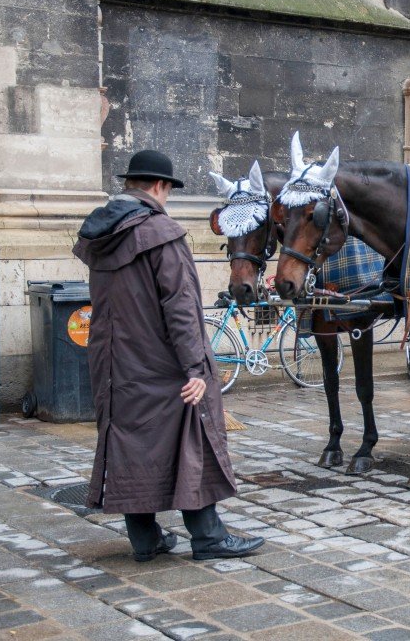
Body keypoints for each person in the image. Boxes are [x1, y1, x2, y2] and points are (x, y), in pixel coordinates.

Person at [73, 150, 264, 562]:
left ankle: (145, 539)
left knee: (130, 443)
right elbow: (181, 308)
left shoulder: (102, 234)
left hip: (113, 363)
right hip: (163, 363)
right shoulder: (162, 233)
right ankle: (209, 537)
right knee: (193, 431)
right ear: (160, 187)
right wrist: (197, 367)